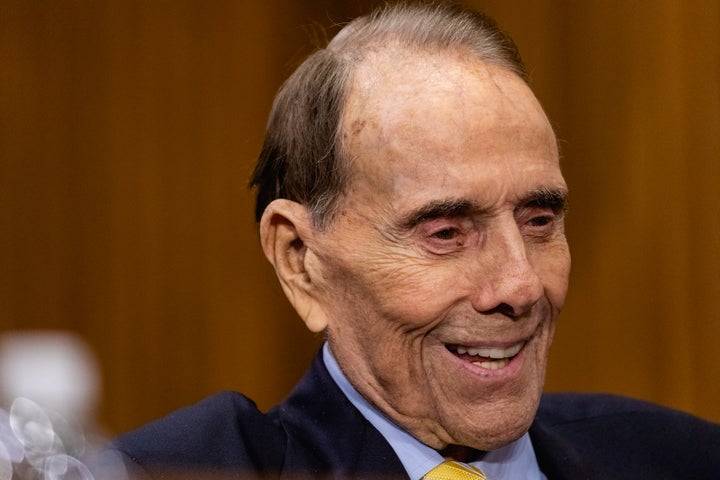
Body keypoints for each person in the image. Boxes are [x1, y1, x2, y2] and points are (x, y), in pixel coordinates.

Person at [110, 2, 720, 479]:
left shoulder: (684, 459)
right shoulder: (172, 471)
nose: (521, 284)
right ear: (301, 261)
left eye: (538, 220)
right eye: (446, 232)